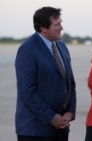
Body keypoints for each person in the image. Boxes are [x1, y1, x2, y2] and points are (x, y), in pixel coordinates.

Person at [15, 6, 76, 141]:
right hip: (35, 130)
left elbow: (70, 83)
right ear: (43, 27)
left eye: (61, 23)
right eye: (57, 24)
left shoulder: (61, 47)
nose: (61, 28)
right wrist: (51, 117)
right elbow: (27, 91)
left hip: (61, 129)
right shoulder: (28, 50)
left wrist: (70, 112)